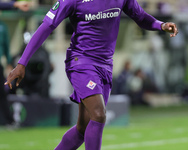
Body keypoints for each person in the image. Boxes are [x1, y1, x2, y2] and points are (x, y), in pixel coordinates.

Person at [4, 0, 178, 149]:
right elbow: (47, 26)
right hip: (81, 62)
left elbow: (139, 16)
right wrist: (21, 63)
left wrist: (160, 25)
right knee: (99, 114)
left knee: (83, 129)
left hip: (106, 65)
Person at [0, 1, 30, 127]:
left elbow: (6, 47)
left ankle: (9, 120)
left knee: (1, 94)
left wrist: (14, 5)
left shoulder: (2, 28)